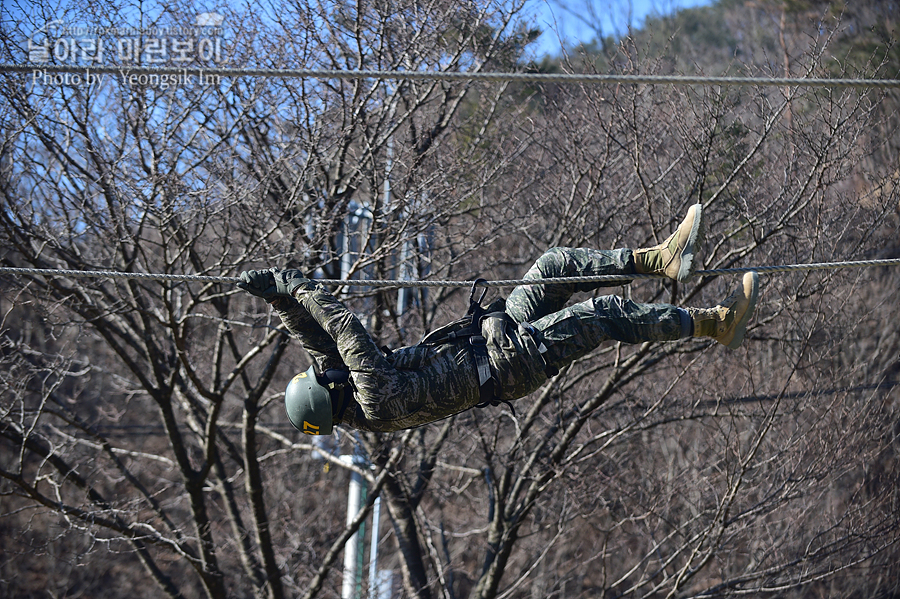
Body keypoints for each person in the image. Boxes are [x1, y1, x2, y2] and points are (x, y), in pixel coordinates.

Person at [238, 205, 759, 435]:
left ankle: (657, 259)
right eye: (320, 378)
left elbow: (317, 341)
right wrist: (297, 285)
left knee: (554, 266)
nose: (322, 369)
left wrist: (278, 299)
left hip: (495, 340)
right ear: (329, 394)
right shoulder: (373, 399)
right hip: (510, 363)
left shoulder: (346, 393)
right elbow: (345, 334)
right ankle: (714, 323)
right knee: (602, 316)